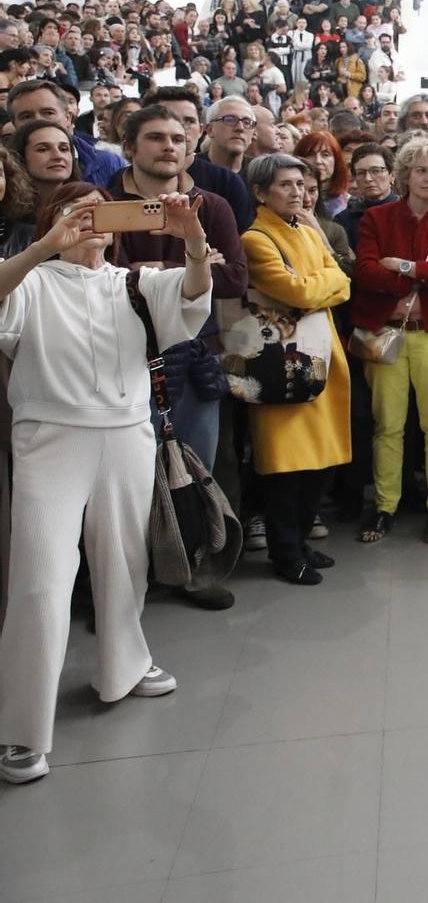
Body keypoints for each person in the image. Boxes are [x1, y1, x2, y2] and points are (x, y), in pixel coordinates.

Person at [0, 184, 213, 786]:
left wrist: (192, 241)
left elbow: (193, 295)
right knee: (41, 579)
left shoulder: (135, 283)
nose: (92, 219)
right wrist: (47, 244)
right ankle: (20, 726)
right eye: (77, 210)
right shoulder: (32, 280)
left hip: (126, 434)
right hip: (49, 438)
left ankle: (126, 663)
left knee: (125, 561)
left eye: (102, 209)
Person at [111, 105, 247, 610]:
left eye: (176, 137)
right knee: (131, 474)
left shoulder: (209, 205)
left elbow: (233, 277)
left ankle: (193, 567)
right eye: (154, 138)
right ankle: (129, 582)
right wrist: (189, 266)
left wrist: (152, 270)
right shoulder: (108, 204)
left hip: (196, 356)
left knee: (195, 466)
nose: (169, 145)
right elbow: (107, 277)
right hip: (126, 357)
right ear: (130, 147)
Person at [352, 139, 428, 546]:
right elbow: (367, 272)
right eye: (422, 170)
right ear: (404, 175)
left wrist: (403, 266)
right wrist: (427, 271)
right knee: (387, 425)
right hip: (385, 334)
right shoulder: (376, 217)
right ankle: (385, 506)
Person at [239, 152, 353, 585]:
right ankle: (285, 553)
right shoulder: (256, 238)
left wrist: (321, 287)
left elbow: (339, 278)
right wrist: (324, 287)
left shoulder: (304, 229)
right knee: (286, 467)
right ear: (260, 192)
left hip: (319, 353)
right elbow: (300, 290)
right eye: (285, 185)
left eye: (301, 185)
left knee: (318, 463)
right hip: (280, 363)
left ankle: (301, 542)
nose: (297, 193)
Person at [7, 78, 121, 187]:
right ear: (14, 123)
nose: (39, 121)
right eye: (26, 116)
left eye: (48, 113)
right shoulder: (5, 169)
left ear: (68, 117)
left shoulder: (110, 163)